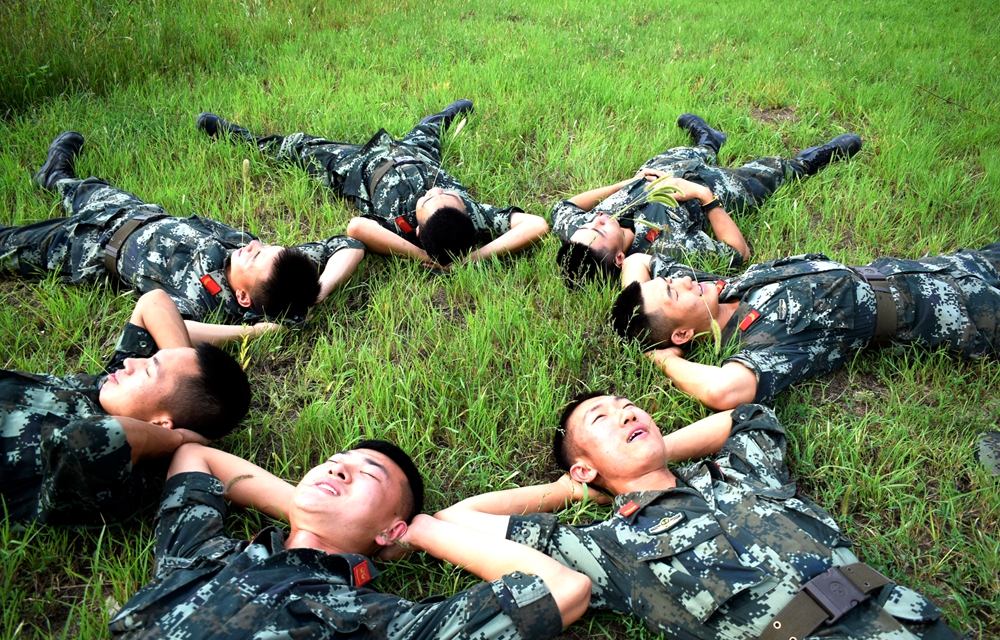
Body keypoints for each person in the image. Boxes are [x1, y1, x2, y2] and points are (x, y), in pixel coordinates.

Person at [435, 393, 1000, 640]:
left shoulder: (738, 470)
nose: (627, 413)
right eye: (601, 419)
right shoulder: (607, 548)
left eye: (628, 406)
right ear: (582, 466)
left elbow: (751, 415)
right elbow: (459, 518)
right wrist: (579, 489)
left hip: (916, 625)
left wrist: (656, 455)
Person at [90, 438, 592, 640]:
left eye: (366, 474)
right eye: (334, 462)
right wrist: (304, 511)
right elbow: (194, 454)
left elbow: (564, 588)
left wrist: (422, 532)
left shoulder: (383, 628)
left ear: (391, 528)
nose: (337, 468)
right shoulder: (203, 554)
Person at [0, 131, 365, 341]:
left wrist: (248, 334)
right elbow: (349, 244)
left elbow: (173, 330)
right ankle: (55, 176)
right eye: (265, 247)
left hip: (88, 247)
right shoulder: (281, 271)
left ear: (242, 295)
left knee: (8, 245)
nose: (254, 245)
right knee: (81, 187)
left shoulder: (207, 305)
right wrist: (319, 291)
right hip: (135, 211)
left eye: (255, 256)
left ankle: (55, 186)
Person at [610, 244, 1000, 409]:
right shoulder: (760, 339)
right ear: (681, 334)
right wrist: (664, 358)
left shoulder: (718, 291)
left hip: (937, 267)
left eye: (670, 281)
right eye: (673, 293)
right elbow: (722, 390)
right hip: (958, 313)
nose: (683, 280)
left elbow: (639, 260)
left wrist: (638, 303)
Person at [1, 289, 251, 528]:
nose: (131, 362)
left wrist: (178, 439)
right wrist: (177, 359)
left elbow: (89, 438)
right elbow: (154, 302)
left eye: (149, 370)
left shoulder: (117, 477)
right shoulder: (119, 391)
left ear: (161, 425)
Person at [197, 100, 549, 269]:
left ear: (417, 228)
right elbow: (536, 225)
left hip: (363, 166)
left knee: (302, 146)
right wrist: (475, 256)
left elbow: (356, 227)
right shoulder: (473, 214)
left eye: (429, 200)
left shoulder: (399, 228)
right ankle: (446, 116)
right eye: (447, 195)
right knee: (430, 127)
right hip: (417, 153)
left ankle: (238, 136)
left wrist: (425, 257)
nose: (436, 191)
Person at [554, 114, 862, 284]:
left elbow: (563, 208)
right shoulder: (666, 247)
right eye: (600, 230)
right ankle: (810, 161)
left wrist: (626, 183)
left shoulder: (578, 234)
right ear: (620, 259)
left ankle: (708, 142)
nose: (597, 219)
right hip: (709, 187)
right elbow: (738, 253)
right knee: (768, 175)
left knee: (688, 154)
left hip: (659, 171)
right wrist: (704, 196)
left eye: (589, 223)